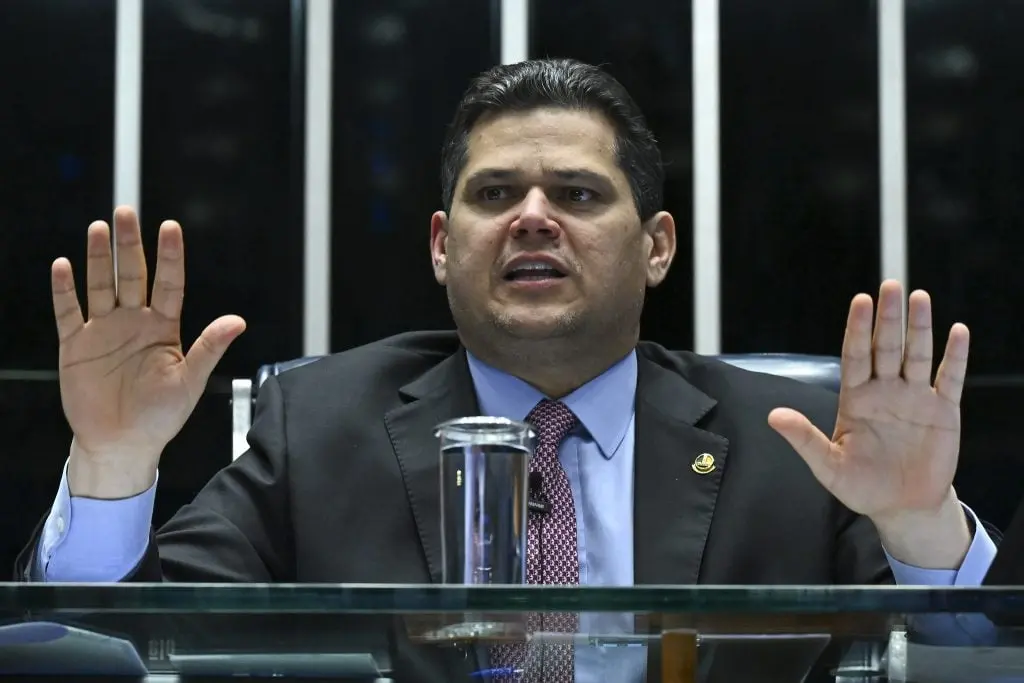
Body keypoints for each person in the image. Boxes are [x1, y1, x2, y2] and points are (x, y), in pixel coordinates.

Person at [16, 58, 996, 682]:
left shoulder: (796, 443)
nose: (533, 215)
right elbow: (129, 647)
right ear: (443, 243)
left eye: (576, 191)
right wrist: (113, 462)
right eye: (496, 193)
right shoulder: (319, 423)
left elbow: (970, 662)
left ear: (656, 245)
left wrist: (916, 524)